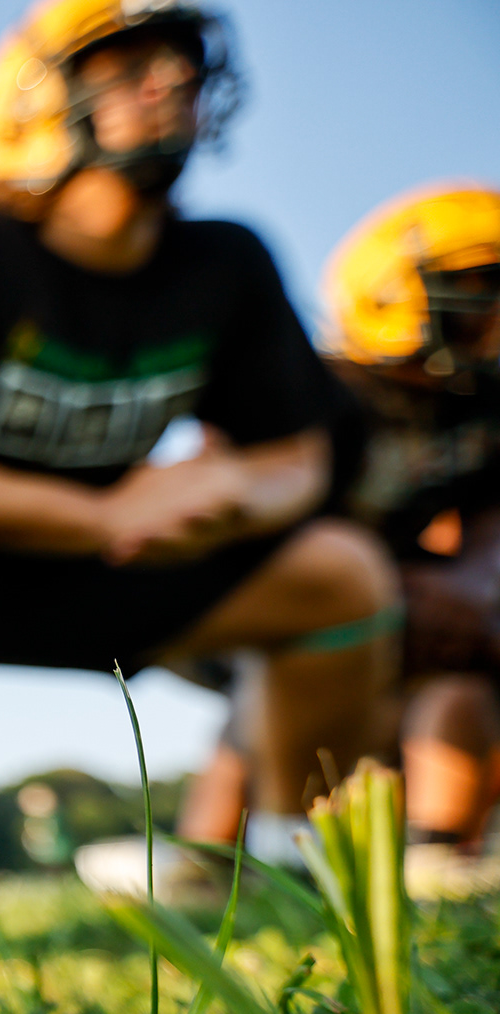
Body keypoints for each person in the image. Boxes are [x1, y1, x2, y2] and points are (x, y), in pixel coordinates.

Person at [0, 0, 401, 881]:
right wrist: (94, 514)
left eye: (180, 61)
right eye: (127, 62)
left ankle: (292, 868)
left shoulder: (227, 261)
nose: (169, 82)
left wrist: (226, 498)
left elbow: (298, 457)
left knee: (340, 573)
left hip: (131, 561)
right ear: (37, 97)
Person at [177, 185, 500, 887]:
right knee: (284, 669)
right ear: (392, 291)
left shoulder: (480, 410)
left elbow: (486, 536)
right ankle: (210, 862)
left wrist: (467, 595)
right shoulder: (316, 386)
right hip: (291, 591)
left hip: (409, 591)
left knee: (466, 675)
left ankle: (439, 854)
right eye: (479, 288)